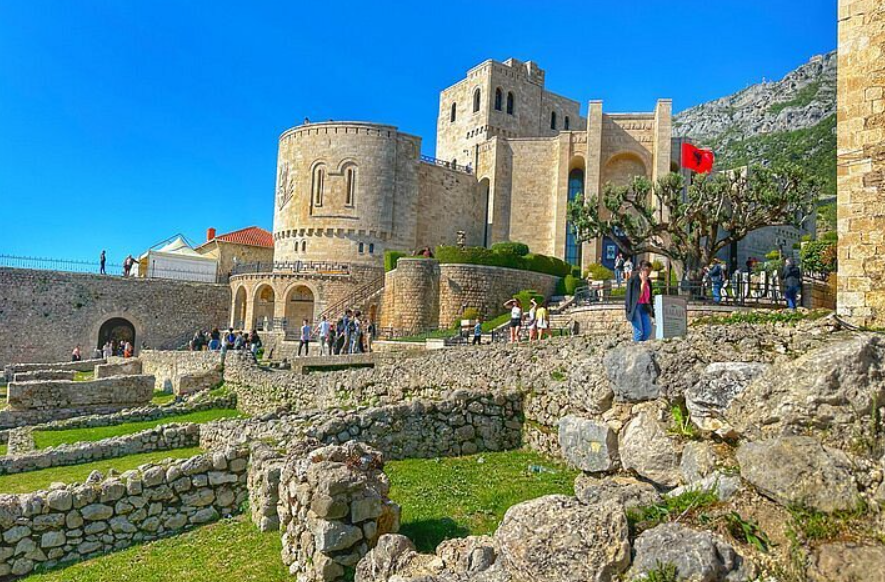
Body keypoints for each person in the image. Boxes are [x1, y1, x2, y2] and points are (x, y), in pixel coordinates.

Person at [626, 260, 654, 342]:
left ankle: (640, 347)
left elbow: (649, 297)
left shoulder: (648, 281)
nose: (649, 273)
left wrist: (651, 310)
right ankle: (634, 349)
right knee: (639, 332)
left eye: (650, 271)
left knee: (648, 331)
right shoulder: (634, 279)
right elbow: (638, 296)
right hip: (635, 308)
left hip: (644, 307)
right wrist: (643, 283)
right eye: (647, 271)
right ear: (642, 270)